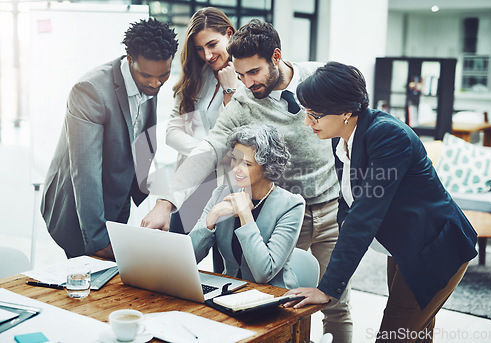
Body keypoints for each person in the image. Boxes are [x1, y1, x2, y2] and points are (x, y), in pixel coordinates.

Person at [143, 20, 353, 341]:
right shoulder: (243, 100)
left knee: (336, 305)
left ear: (276, 56)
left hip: (330, 211)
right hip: (282, 215)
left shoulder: (318, 77)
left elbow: (355, 108)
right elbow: (210, 149)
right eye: (240, 75)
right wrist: (165, 203)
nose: (247, 82)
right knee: (283, 307)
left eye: (253, 72)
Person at [284, 61, 478, 342]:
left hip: (435, 249)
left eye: (314, 115)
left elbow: (365, 213)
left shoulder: (388, 136)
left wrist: (328, 288)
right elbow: (348, 206)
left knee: (393, 335)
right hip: (402, 246)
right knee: (416, 334)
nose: (307, 123)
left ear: (346, 111)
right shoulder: (343, 137)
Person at [40, 18, 178, 259]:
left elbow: (141, 139)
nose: (156, 83)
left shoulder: (150, 80)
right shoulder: (90, 91)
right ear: (129, 58)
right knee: (87, 285)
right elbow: (85, 173)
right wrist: (98, 242)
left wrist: (153, 195)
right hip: (78, 212)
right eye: (147, 76)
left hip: (117, 200)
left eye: (163, 76)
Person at [189, 124, 305, 288]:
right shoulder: (222, 193)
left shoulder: (291, 206)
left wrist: (245, 214)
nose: (236, 169)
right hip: (227, 293)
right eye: (234, 159)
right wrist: (212, 216)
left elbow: (264, 273)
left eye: (247, 164)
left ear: (268, 167)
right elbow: (189, 259)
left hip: (273, 298)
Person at [166, 7, 238, 233]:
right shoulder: (196, 77)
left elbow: (235, 138)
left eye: (212, 44)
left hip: (228, 187)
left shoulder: (246, 78)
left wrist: (230, 91)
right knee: (176, 256)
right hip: (192, 183)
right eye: (199, 49)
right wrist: (209, 153)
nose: (207, 55)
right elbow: (171, 133)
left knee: (224, 260)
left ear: (229, 34)